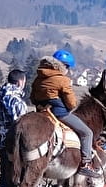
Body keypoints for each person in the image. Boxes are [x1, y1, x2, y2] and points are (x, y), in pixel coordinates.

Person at [31, 49, 102, 178]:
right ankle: (85, 164)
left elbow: (32, 98)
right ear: (64, 66)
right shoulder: (63, 80)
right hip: (59, 114)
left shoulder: (38, 78)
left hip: (42, 112)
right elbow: (72, 103)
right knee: (87, 133)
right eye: (68, 67)